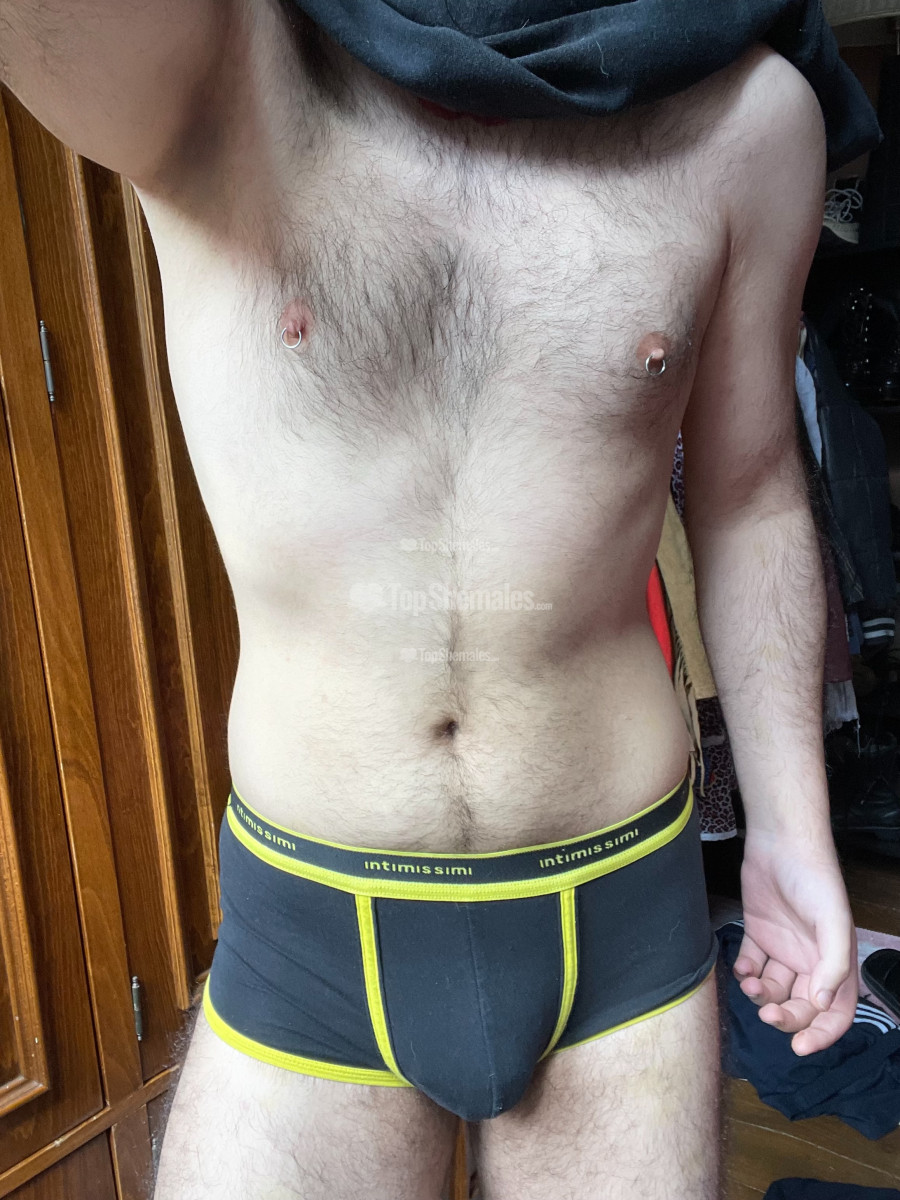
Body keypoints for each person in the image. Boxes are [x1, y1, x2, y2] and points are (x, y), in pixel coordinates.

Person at [0, 3, 860, 1197]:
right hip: (311, 932)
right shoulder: (223, 56)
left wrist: (794, 833)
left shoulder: (752, 118)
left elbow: (751, 490)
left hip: (615, 915)